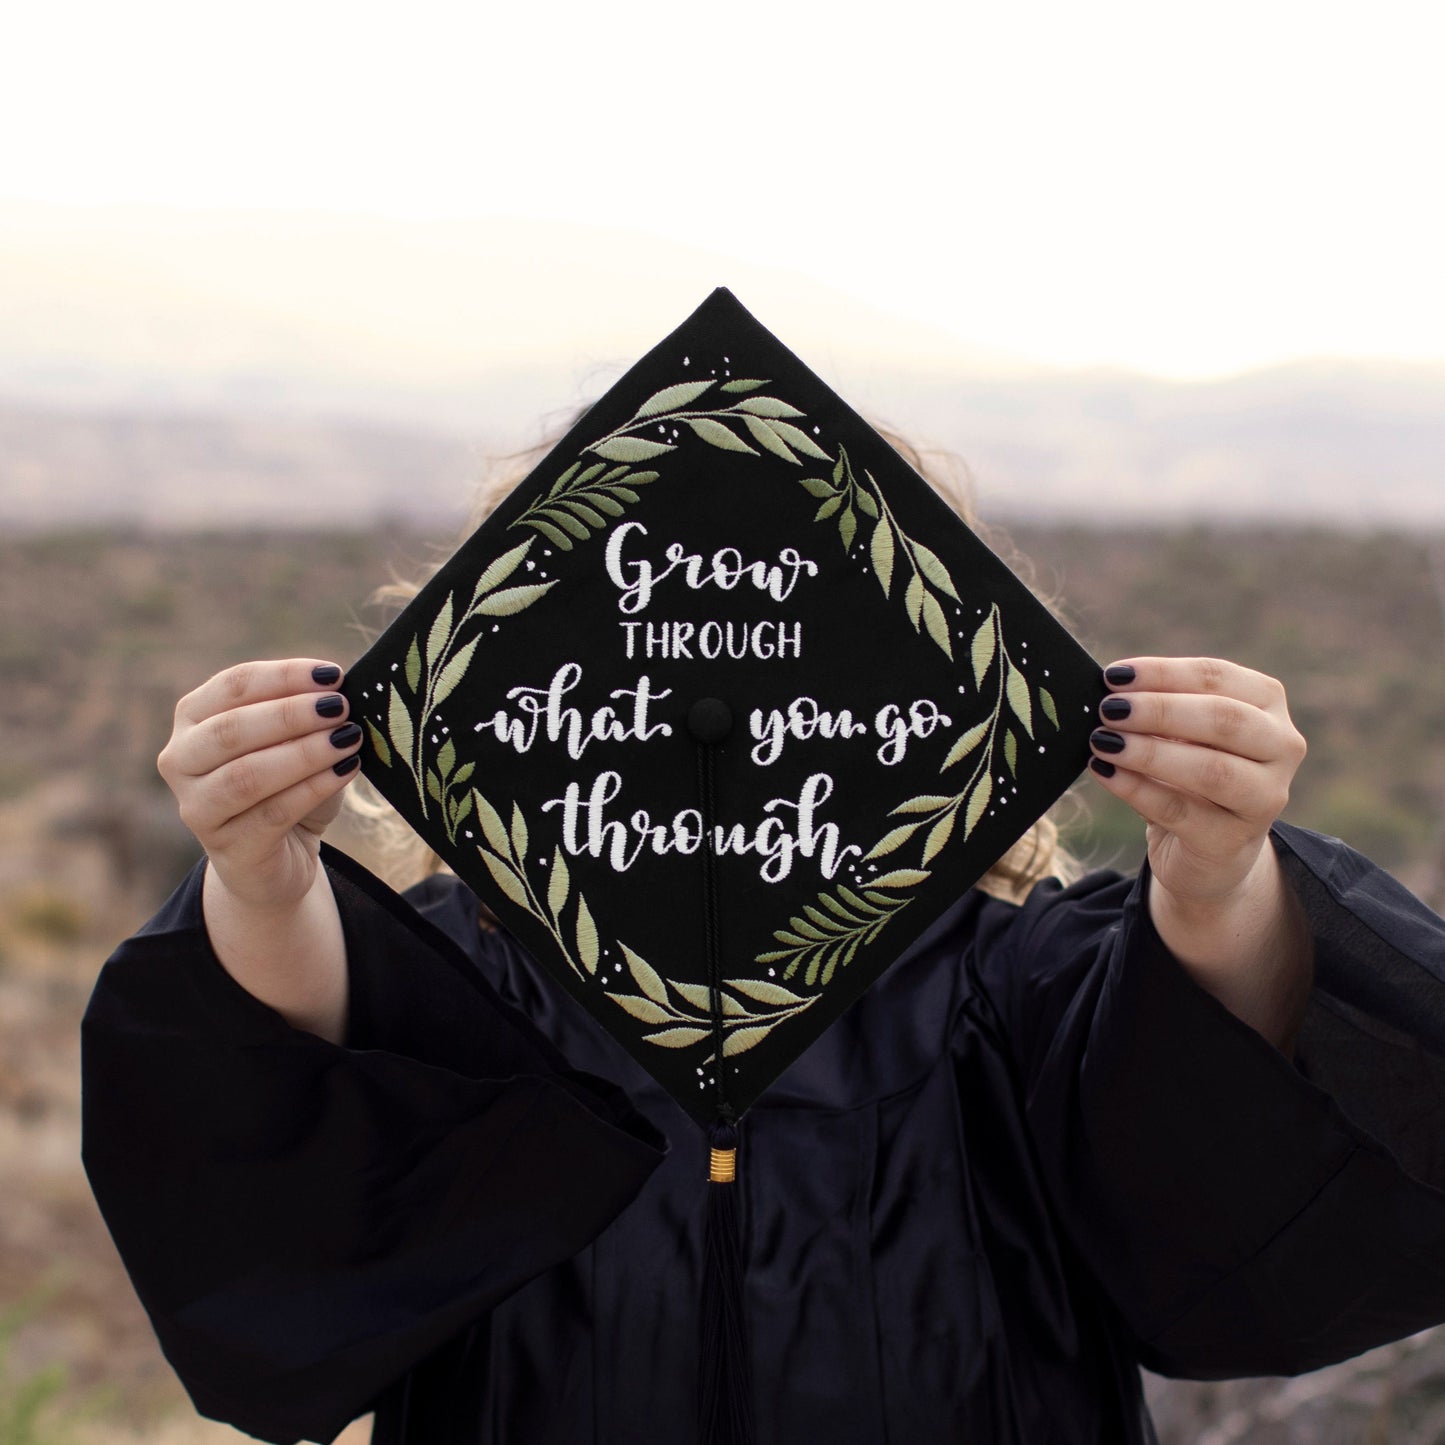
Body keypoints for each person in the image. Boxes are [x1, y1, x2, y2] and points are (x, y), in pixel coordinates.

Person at [82, 450, 1445, 1445]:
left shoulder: (1004, 979)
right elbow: (296, 1101)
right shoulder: (477, 985)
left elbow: (1208, 1075)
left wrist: (1215, 875)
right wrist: (262, 877)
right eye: (652, 653)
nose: (714, 707)